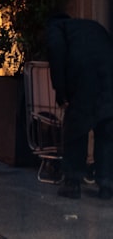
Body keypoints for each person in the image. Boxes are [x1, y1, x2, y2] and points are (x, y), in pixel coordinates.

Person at [47, 14, 113, 199]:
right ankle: (107, 183)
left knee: (76, 130)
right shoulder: (90, 26)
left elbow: (56, 55)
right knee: (106, 131)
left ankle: (72, 182)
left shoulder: (56, 28)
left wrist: (61, 93)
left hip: (84, 79)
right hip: (108, 74)